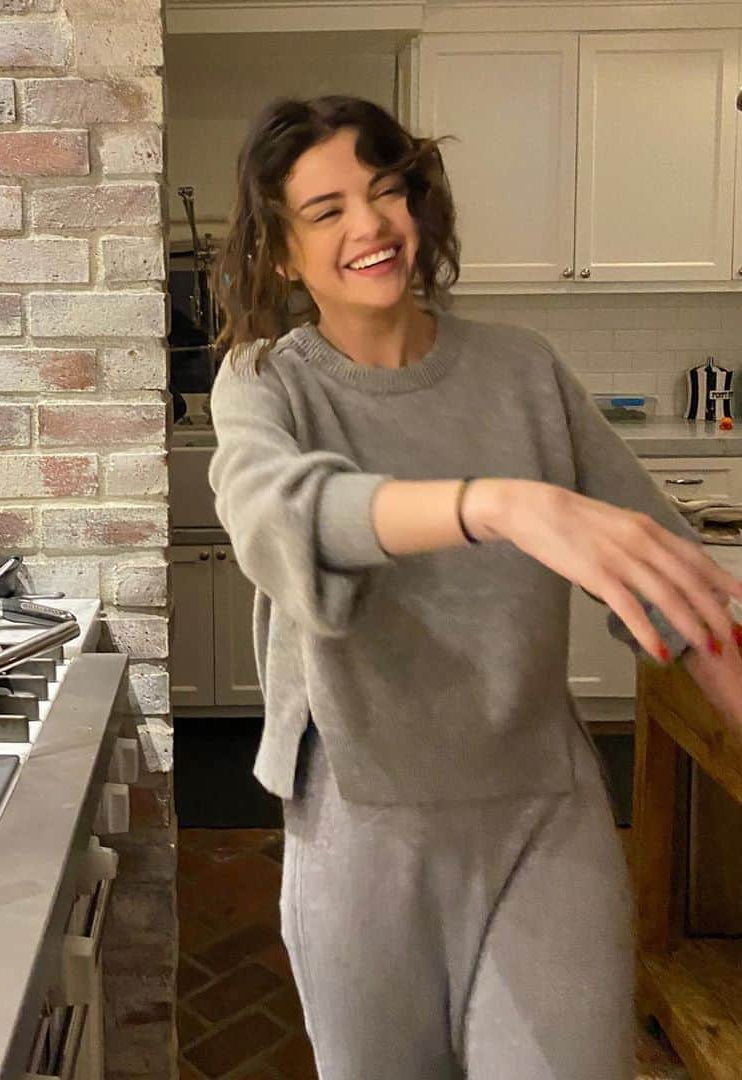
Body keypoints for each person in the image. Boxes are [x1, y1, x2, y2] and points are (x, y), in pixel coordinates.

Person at [206, 95, 742, 1080]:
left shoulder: (522, 372)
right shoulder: (267, 383)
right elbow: (275, 513)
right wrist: (491, 505)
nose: (368, 225)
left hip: (543, 809)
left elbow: (679, 588)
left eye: (385, 191)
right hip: (360, 822)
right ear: (282, 252)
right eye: (326, 211)